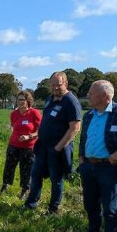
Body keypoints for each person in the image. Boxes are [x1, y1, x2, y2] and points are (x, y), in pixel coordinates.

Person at [24, 72, 82, 214]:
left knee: (56, 179)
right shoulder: (50, 99)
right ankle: (31, 203)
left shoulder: (70, 101)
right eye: (53, 85)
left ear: (66, 83)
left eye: (59, 85)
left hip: (57, 148)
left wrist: (58, 147)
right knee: (36, 174)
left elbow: (75, 128)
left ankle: (53, 210)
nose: (56, 88)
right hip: (43, 145)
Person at [76, 80, 117, 232]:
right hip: (89, 166)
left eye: (91, 93)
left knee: (110, 208)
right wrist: (81, 160)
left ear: (104, 96)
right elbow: (84, 138)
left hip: (109, 168)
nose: (88, 96)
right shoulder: (89, 115)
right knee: (90, 204)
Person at [0, 90, 42, 199]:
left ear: (28, 101)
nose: (20, 102)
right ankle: (5, 186)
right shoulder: (14, 114)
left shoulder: (34, 113)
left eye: (22, 100)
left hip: (28, 147)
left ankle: (24, 190)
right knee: (9, 166)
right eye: (18, 100)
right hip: (13, 145)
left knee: (26, 169)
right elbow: (14, 127)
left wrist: (29, 136)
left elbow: (40, 130)